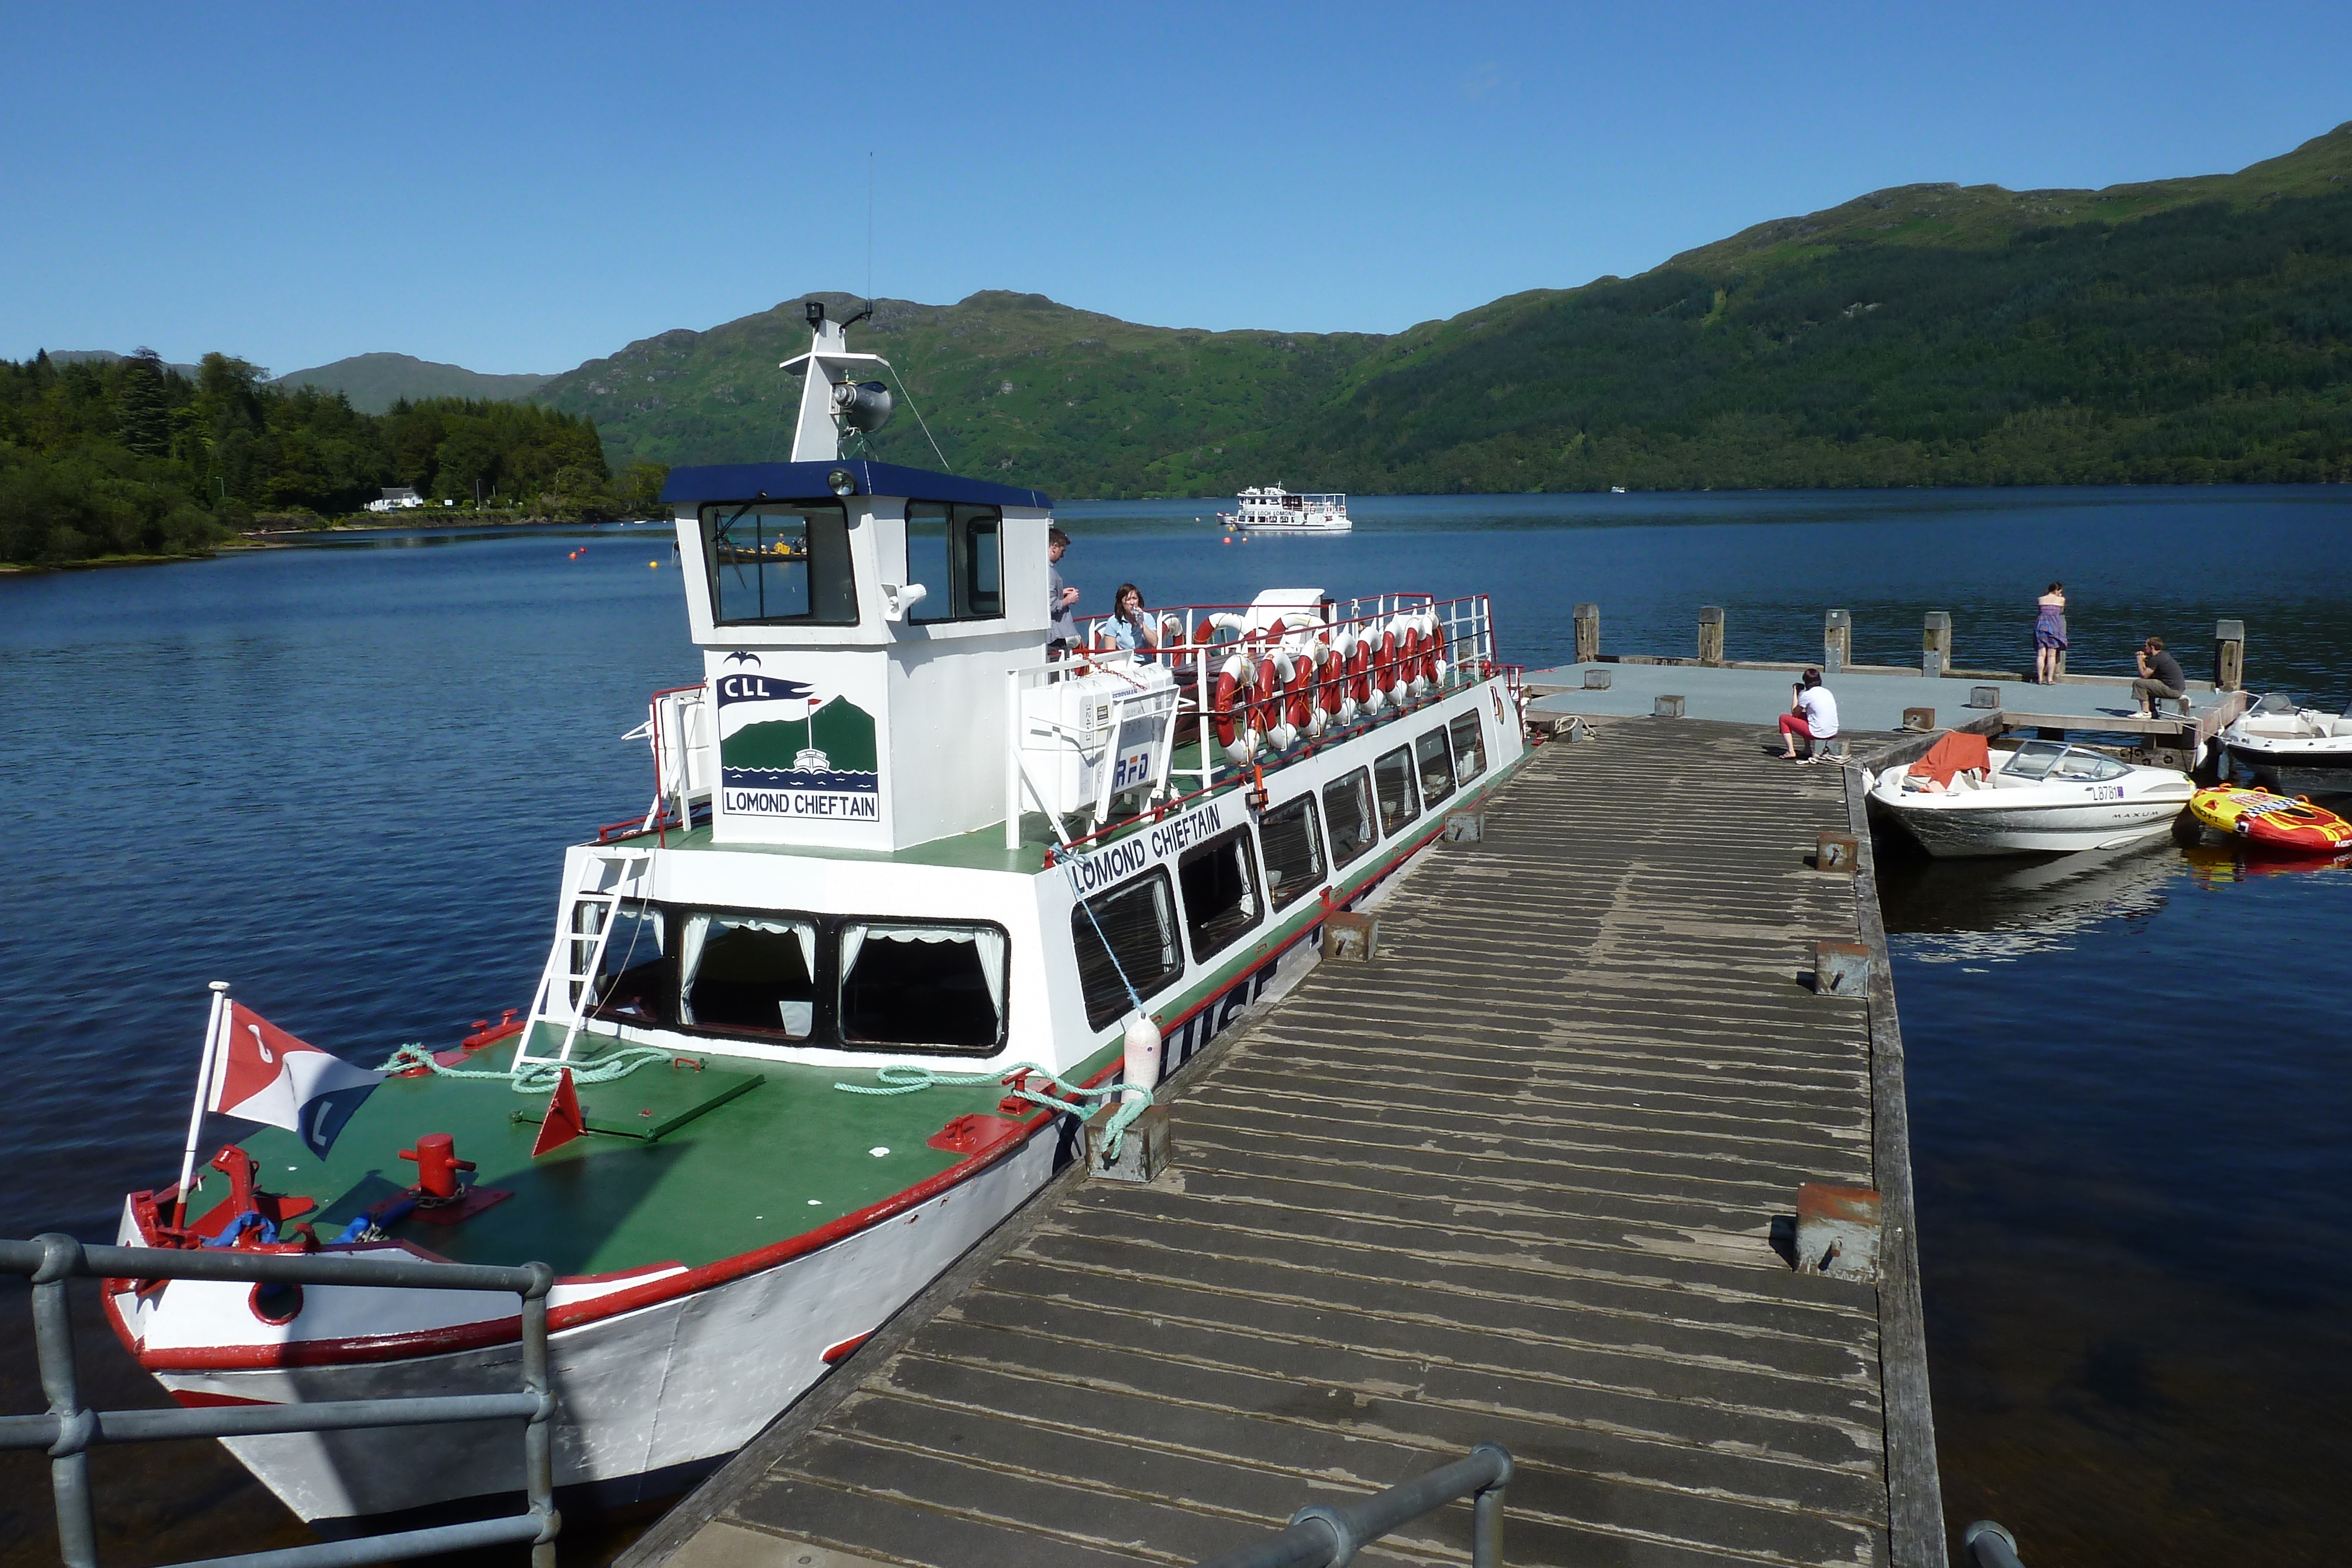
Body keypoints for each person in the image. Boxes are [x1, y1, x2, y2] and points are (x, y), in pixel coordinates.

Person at [1778, 668, 1840, 761]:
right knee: (1806, 716)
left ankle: (1791, 751)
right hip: (1833, 731)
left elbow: (1795, 713)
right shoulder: (1827, 692)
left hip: (1818, 733)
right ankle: (1807, 749)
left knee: (1784, 718)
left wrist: (1796, 692)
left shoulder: (1807, 695)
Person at [1104, 582, 1162, 661]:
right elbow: (1110, 650)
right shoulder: (1113, 621)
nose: (1132, 603)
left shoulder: (1147, 617)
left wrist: (1142, 624)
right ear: (1122, 603)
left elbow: (1154, 642)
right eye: (1128, 600)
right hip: (1124, 663)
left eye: (1134, 598)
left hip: (1145, 661)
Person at [2133, 635, 2186, 717]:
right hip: (2177, 689)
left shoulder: (2156, 659)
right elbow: (2147, 675)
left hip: (2172, 691)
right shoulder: (2163, 655)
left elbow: (2143, 676)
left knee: (2139, 683)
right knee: (2148, 683)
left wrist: (2139, 661)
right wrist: (2143, 660)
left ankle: (2145, 712)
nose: (2144, 648)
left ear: (2152, 647)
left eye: (2145, 646)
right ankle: (2152, 711)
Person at [1045, 527, 1078, 656]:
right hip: (1054, 637)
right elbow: (1050, 606)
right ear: (1054, 547)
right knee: (1056, 674)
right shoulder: (1049, 573)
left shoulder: (1043, 569)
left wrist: (1061, 593)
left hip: (1052, 637)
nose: (1062, 556)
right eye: (1062, 551)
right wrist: (1068, 600)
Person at [2033, 583, 2068, 684]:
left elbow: (2041, 611)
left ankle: (2039, 679)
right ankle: (2049, 679)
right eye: (2060, 592)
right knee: (2052, 655)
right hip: (2054, 626)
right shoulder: (2061, 600)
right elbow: (2060, 612)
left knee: (2041, 654)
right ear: (2057, 591)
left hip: (2041, 625)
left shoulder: (2041, 599)